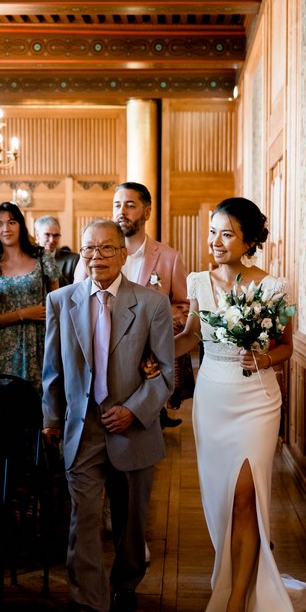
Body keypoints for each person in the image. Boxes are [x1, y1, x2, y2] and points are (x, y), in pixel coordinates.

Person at [174, 197, 306, 612]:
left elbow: (286, 348)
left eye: (226, 234)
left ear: (248, 240)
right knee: (223, 502)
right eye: (212, 233)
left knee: (247, 497)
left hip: (257, 401)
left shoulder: (273, 287)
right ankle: (237, 582)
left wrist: (264, 356)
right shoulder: (198, 281)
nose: (216, 242)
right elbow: (191, 336)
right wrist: (155, 353)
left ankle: (238, 606)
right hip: (212, 400)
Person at [42, 219, 174, 612]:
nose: (95, 257)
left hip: (131, 426)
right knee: (84, 518)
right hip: (83, 428)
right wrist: (51, 418)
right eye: (88, 250)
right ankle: (87, 610)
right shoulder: (61, 301)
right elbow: (52, 371)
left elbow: (166, 374)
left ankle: (125, 582)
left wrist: (133, 409)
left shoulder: (151, 303)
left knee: (131, 521)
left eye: (105, 249)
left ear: (121, 253)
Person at [74, 181, 194, 428]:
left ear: (147, 212)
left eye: (130, 205)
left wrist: (156, 350)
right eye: (117, 205)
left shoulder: (169, 258)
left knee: (138, 433)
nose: (122, 212)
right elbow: (78, 298)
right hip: (98, 357)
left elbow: (183, 310)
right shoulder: (92, 255)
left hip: (144, 366)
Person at [0, 201, 61, 394]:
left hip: (41, 341)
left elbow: (58, 304)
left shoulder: (42, 258)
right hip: (4, 347)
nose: (6, 228)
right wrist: (23, 313)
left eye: (12, 222)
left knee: (42, 405)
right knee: (5, 408)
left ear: (21, 225)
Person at [34, 214, 80, 287]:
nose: (52, 240)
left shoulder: (73, 260)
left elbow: (75, 289)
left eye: (56, 235)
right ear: (37, 235)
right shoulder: (28, 259)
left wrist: (50, 261)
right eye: (47, 235)